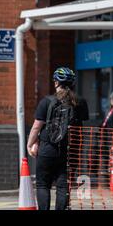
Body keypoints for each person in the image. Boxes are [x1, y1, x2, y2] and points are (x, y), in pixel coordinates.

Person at [27, 67, 89, 210]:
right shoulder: (80, 102)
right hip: (70, 149)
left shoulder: (47, 101)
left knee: (43, 184)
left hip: (47, 148)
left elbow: (36, 127)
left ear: (56, 82)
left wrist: (30, 144)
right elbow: (81, 127)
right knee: (63, 185)